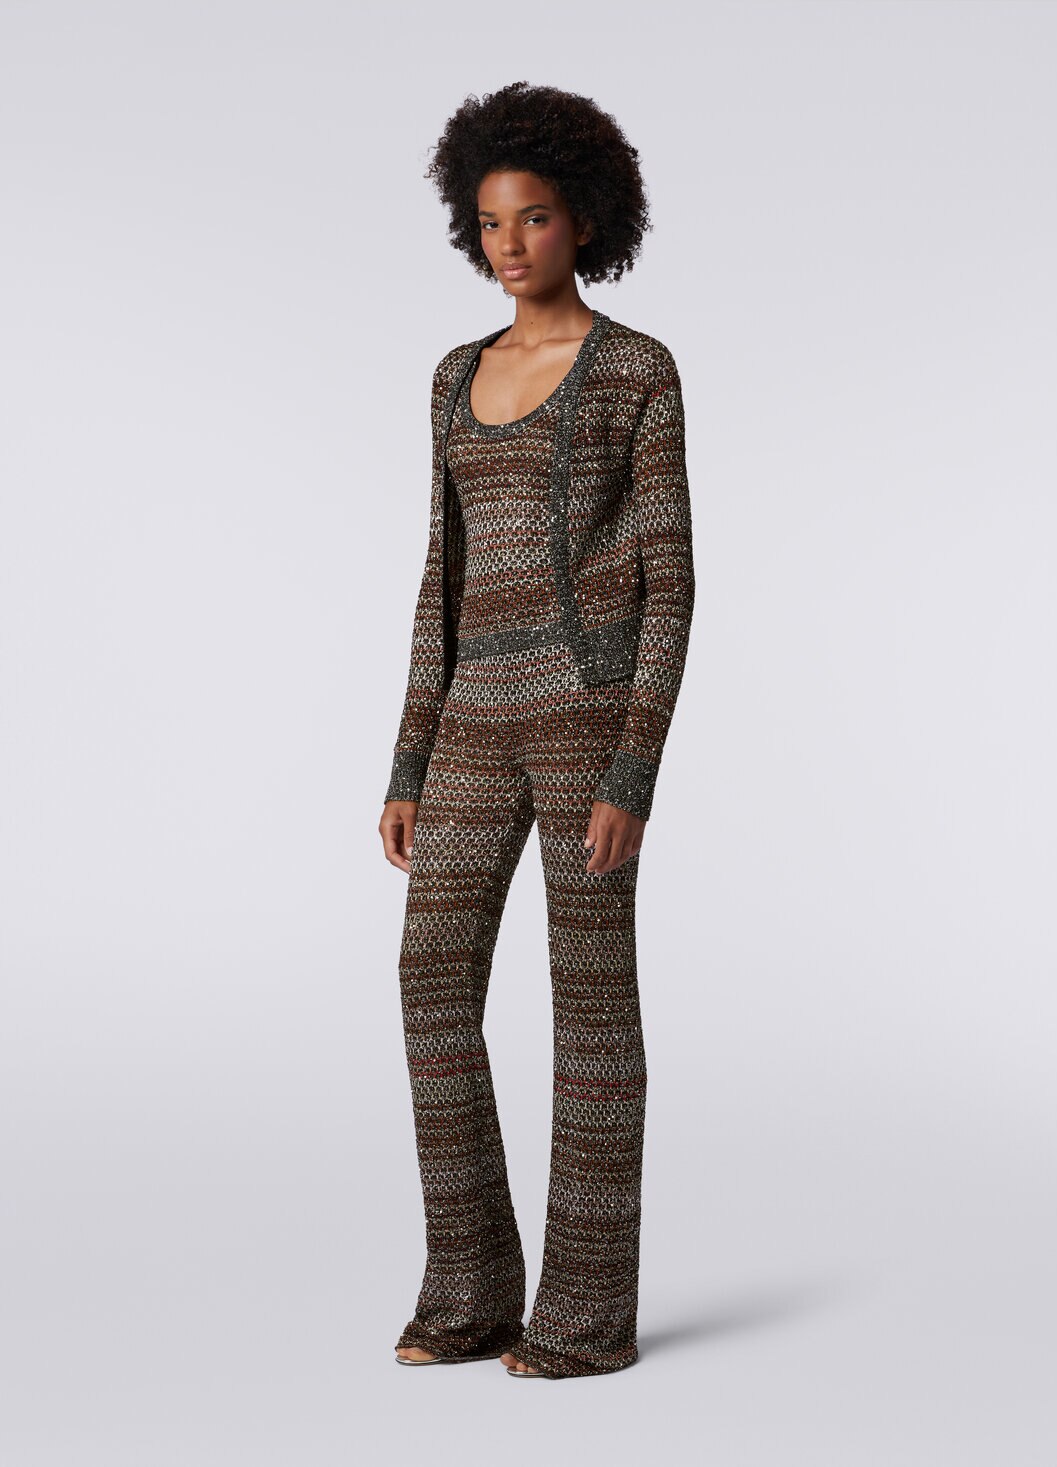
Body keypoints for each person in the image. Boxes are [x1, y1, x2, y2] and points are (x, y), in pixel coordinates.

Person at [378, 80, 695, 1379]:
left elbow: (671, 581)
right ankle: (470, 1290)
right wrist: (408, 759)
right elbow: (439, 579)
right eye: (491, 221)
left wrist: (635, 768)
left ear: (586, 221)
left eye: (536, 218)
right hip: (469, 725)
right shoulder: (454, 378)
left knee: (591, 1003)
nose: (511, 243)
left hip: (586, 723)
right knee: (430, 976)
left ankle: (586, 1315)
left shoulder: (635, 372)